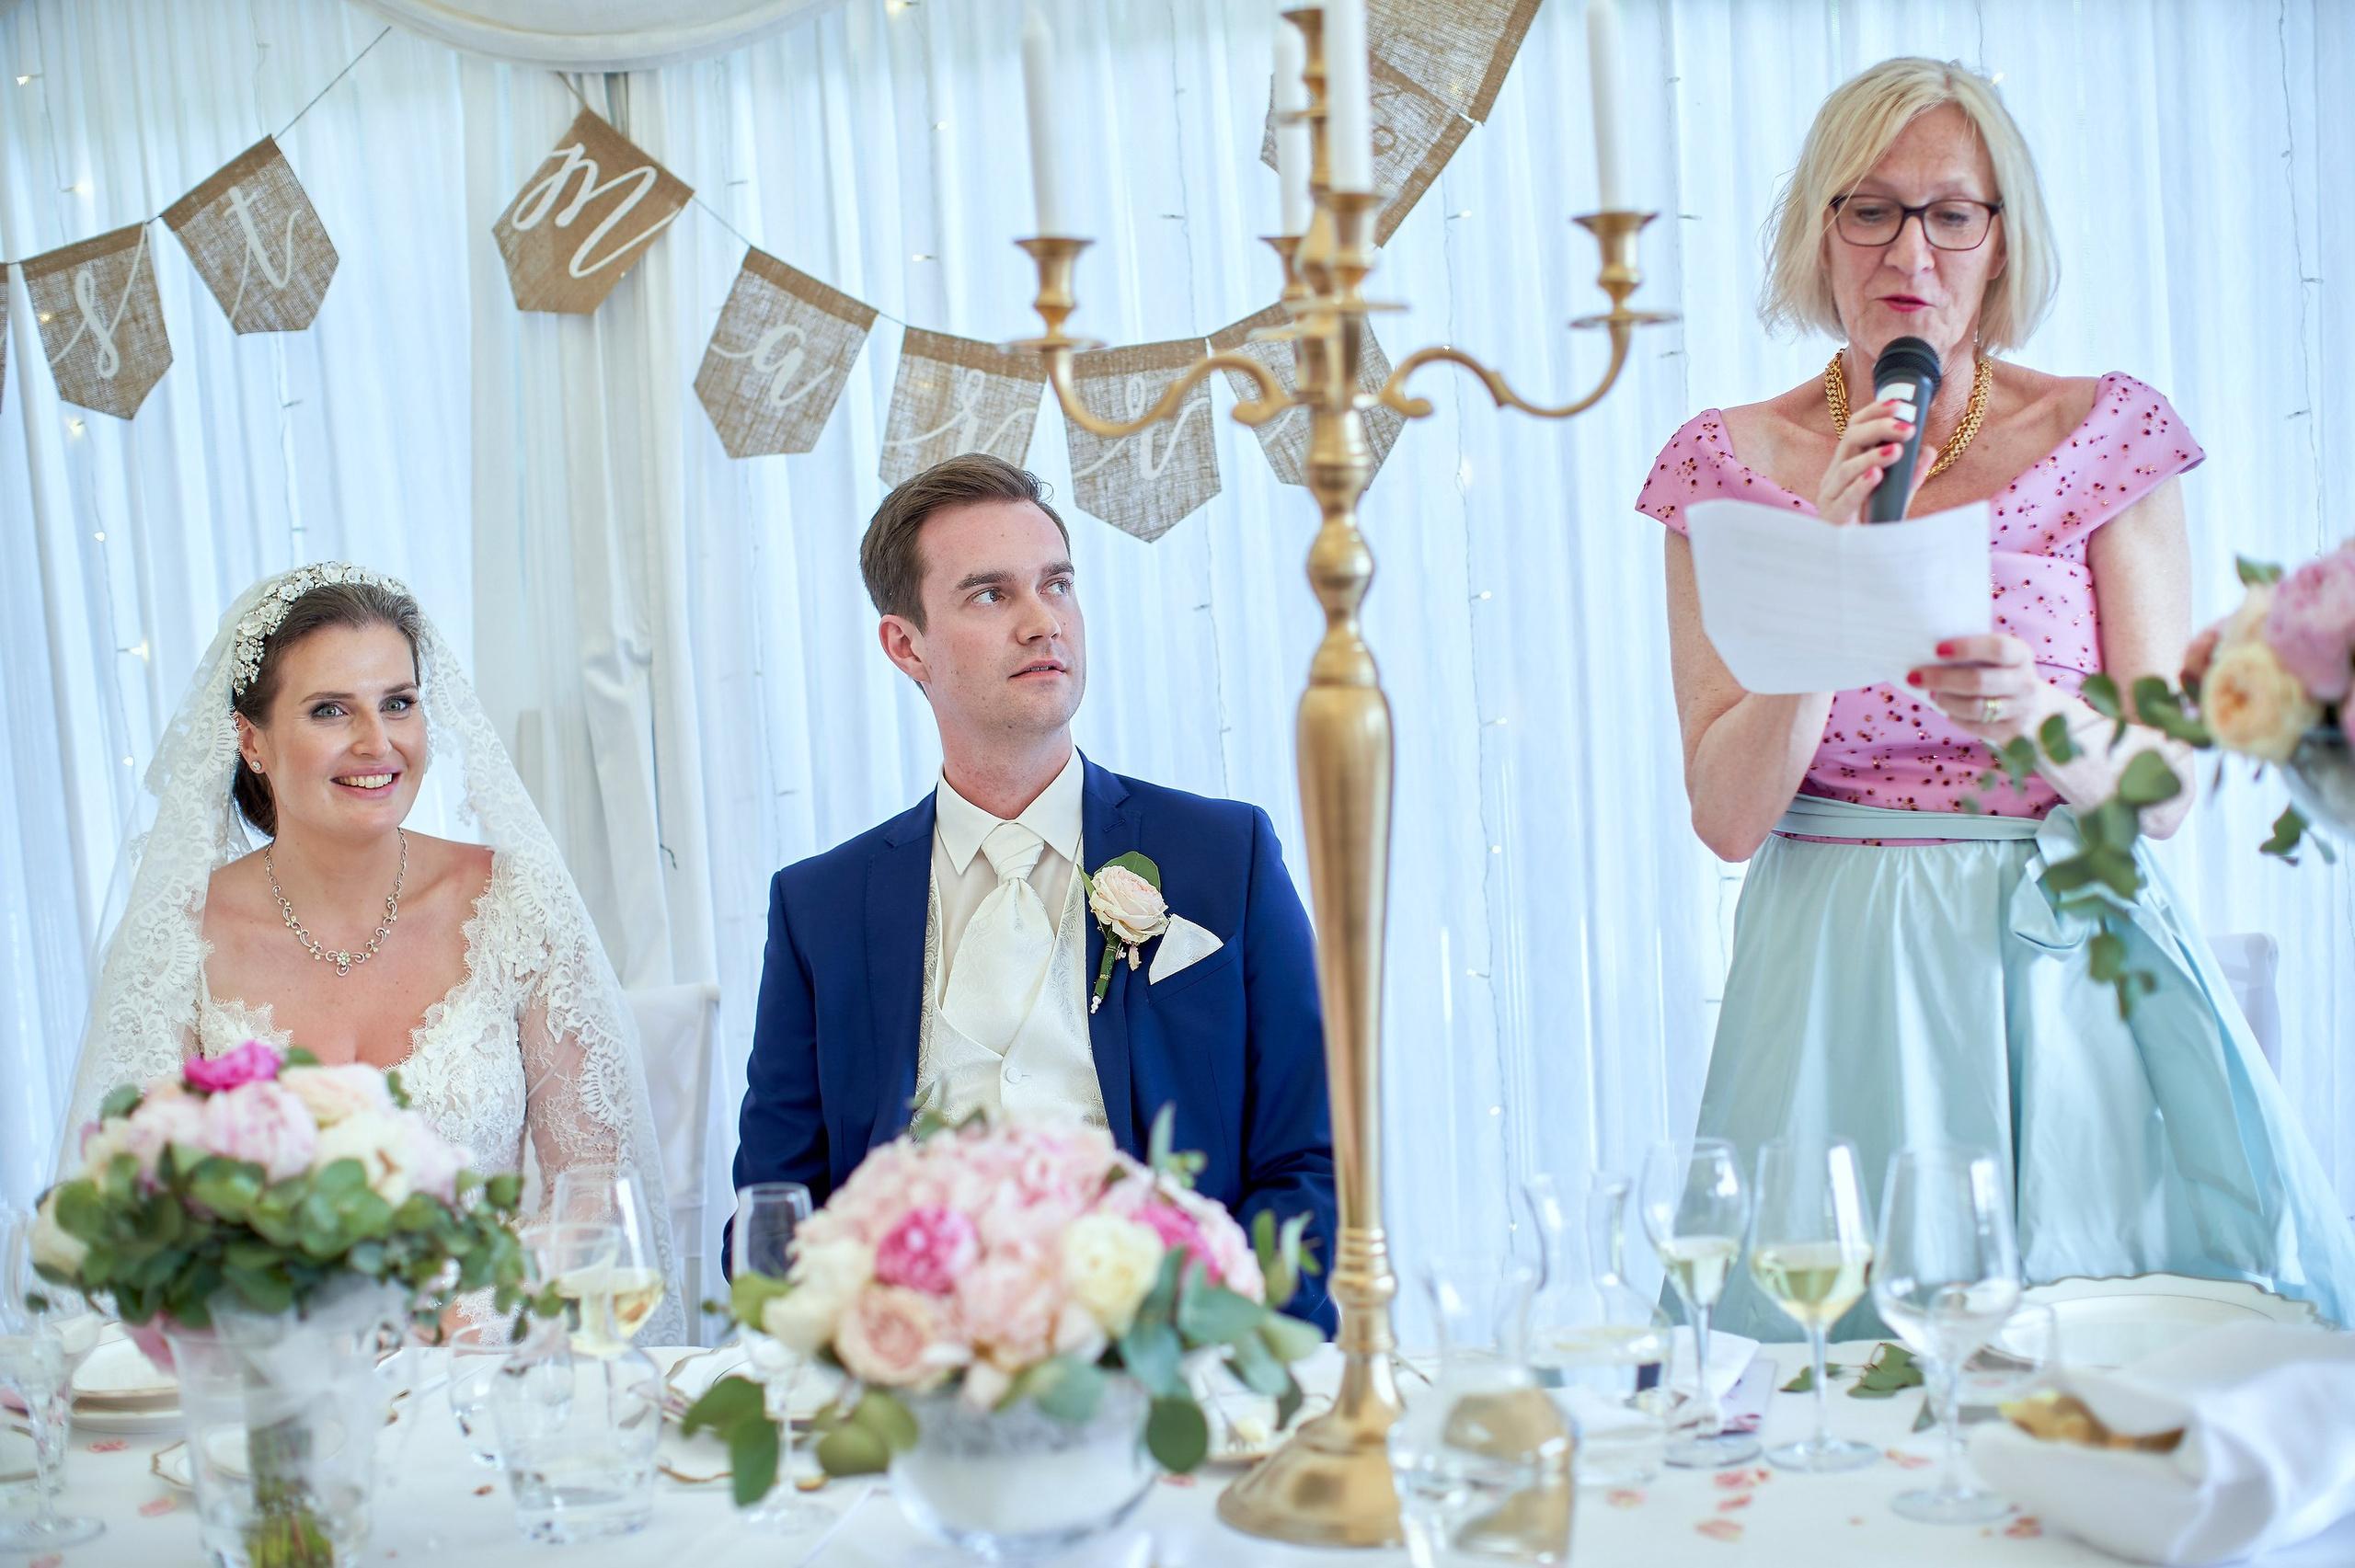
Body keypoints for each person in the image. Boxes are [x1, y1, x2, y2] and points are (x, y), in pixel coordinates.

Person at [1637, 58, 2354, 1337]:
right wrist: (1825, 585)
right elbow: (1727, 819)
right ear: (1821, 229)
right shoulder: (1721, 465)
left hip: (2062, 954)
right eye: (1871, 207)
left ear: (2002, 237)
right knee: (1838, 1390)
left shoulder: (2107, 433)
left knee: (2108, 1373)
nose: (1910, 246)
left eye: (1951, 211)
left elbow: (2171, 788)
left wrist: (2034, 706)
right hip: (1832, 975)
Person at [734, 454, 1337, 1328]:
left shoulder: (1224, 854)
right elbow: (771, 1212)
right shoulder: (818, 907)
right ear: (906, 646)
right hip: (922, 1390)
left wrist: (1212, 1333)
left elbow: (1315, 1162)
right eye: (990, 594)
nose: (1042, 621)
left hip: (1189, 1368)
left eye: (1057, 584)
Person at [61, 564, 684, 1339]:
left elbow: (593, 1195)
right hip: (273, 1384)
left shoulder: (515, 903)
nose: (376, 742)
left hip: (487, 1376)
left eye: (399, 703)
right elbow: (138, 1215)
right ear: (250, 739)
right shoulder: (181, 935)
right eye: (330, 710)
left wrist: (454, 1322)